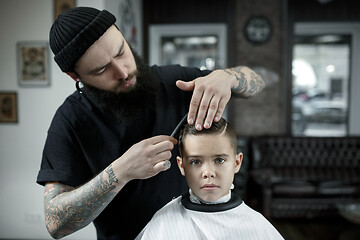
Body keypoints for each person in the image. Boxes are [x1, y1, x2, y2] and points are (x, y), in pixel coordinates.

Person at [36, 6, 265, 240]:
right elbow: (55, 223)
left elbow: (256, 82)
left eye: (120, 52)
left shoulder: (175, 81)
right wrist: (121, 171)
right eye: (102, 69)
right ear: (76, 77)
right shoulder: (70, 120)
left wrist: (227, 77)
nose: (123, 71)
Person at [136, 118, 284, 240]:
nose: (208, 173)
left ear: (237, 163)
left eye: (219, 160)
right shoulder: (163, 222)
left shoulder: (257, 226)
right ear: (182, 166)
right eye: (196, 162)